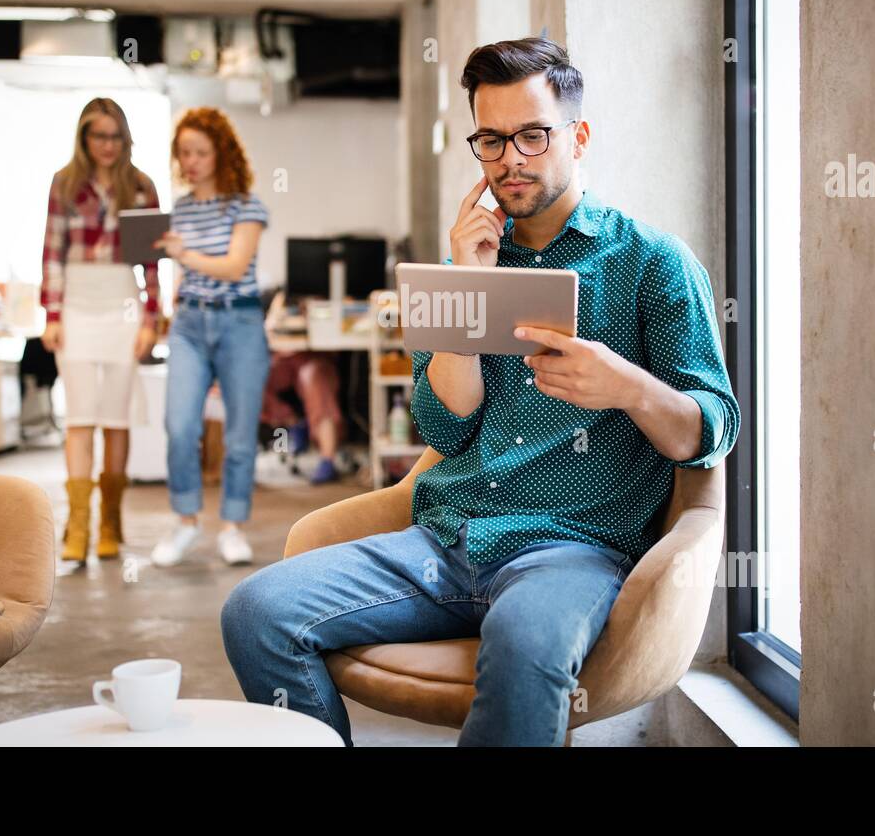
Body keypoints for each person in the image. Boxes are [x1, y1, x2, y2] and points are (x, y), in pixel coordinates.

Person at [220, 37, 741, 746]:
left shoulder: (653, 263)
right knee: (255, 611)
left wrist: (626, 387)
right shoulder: (462, 263)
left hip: (571, 549)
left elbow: (710, 431)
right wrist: (468, 282)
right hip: (445, 539)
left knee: (528, 646)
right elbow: (443, 428)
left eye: (532, 135)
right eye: (491, 141)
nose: (510, 161)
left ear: (577, 136)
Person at [40, 97, 160, 565]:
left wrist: (150, 318)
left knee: (116, 417)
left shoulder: (142, 186)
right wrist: (51, 314)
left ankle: (110, 521)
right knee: (80, 417)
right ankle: (78, 526)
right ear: (84, 138)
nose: (107, 145)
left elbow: (151, 260)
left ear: (125, 138)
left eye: (115, 136)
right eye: (98, 135)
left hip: (123, 304)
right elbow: (51, 250)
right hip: (76, 305)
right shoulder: (65, 184)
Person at [151, 107, 271, 567]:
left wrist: (184, 254)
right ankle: (186, 521)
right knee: (180, 426)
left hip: (239, 323)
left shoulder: (247, 204)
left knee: (240, 436)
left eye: (201, 151)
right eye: (184, 152)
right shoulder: (179, 209)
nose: (192, 160)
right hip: (189, 324)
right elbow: (184, 273)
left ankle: (233, 527)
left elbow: (235, 266)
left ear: (221, 152)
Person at [261, 289, 347, 483]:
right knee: (252, 379)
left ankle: (327, 459)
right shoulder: (279, 297)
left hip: (314, 358)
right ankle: (293, 422)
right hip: (282, 358)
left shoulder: (328, 295)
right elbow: (268, 329)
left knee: (314, 379)